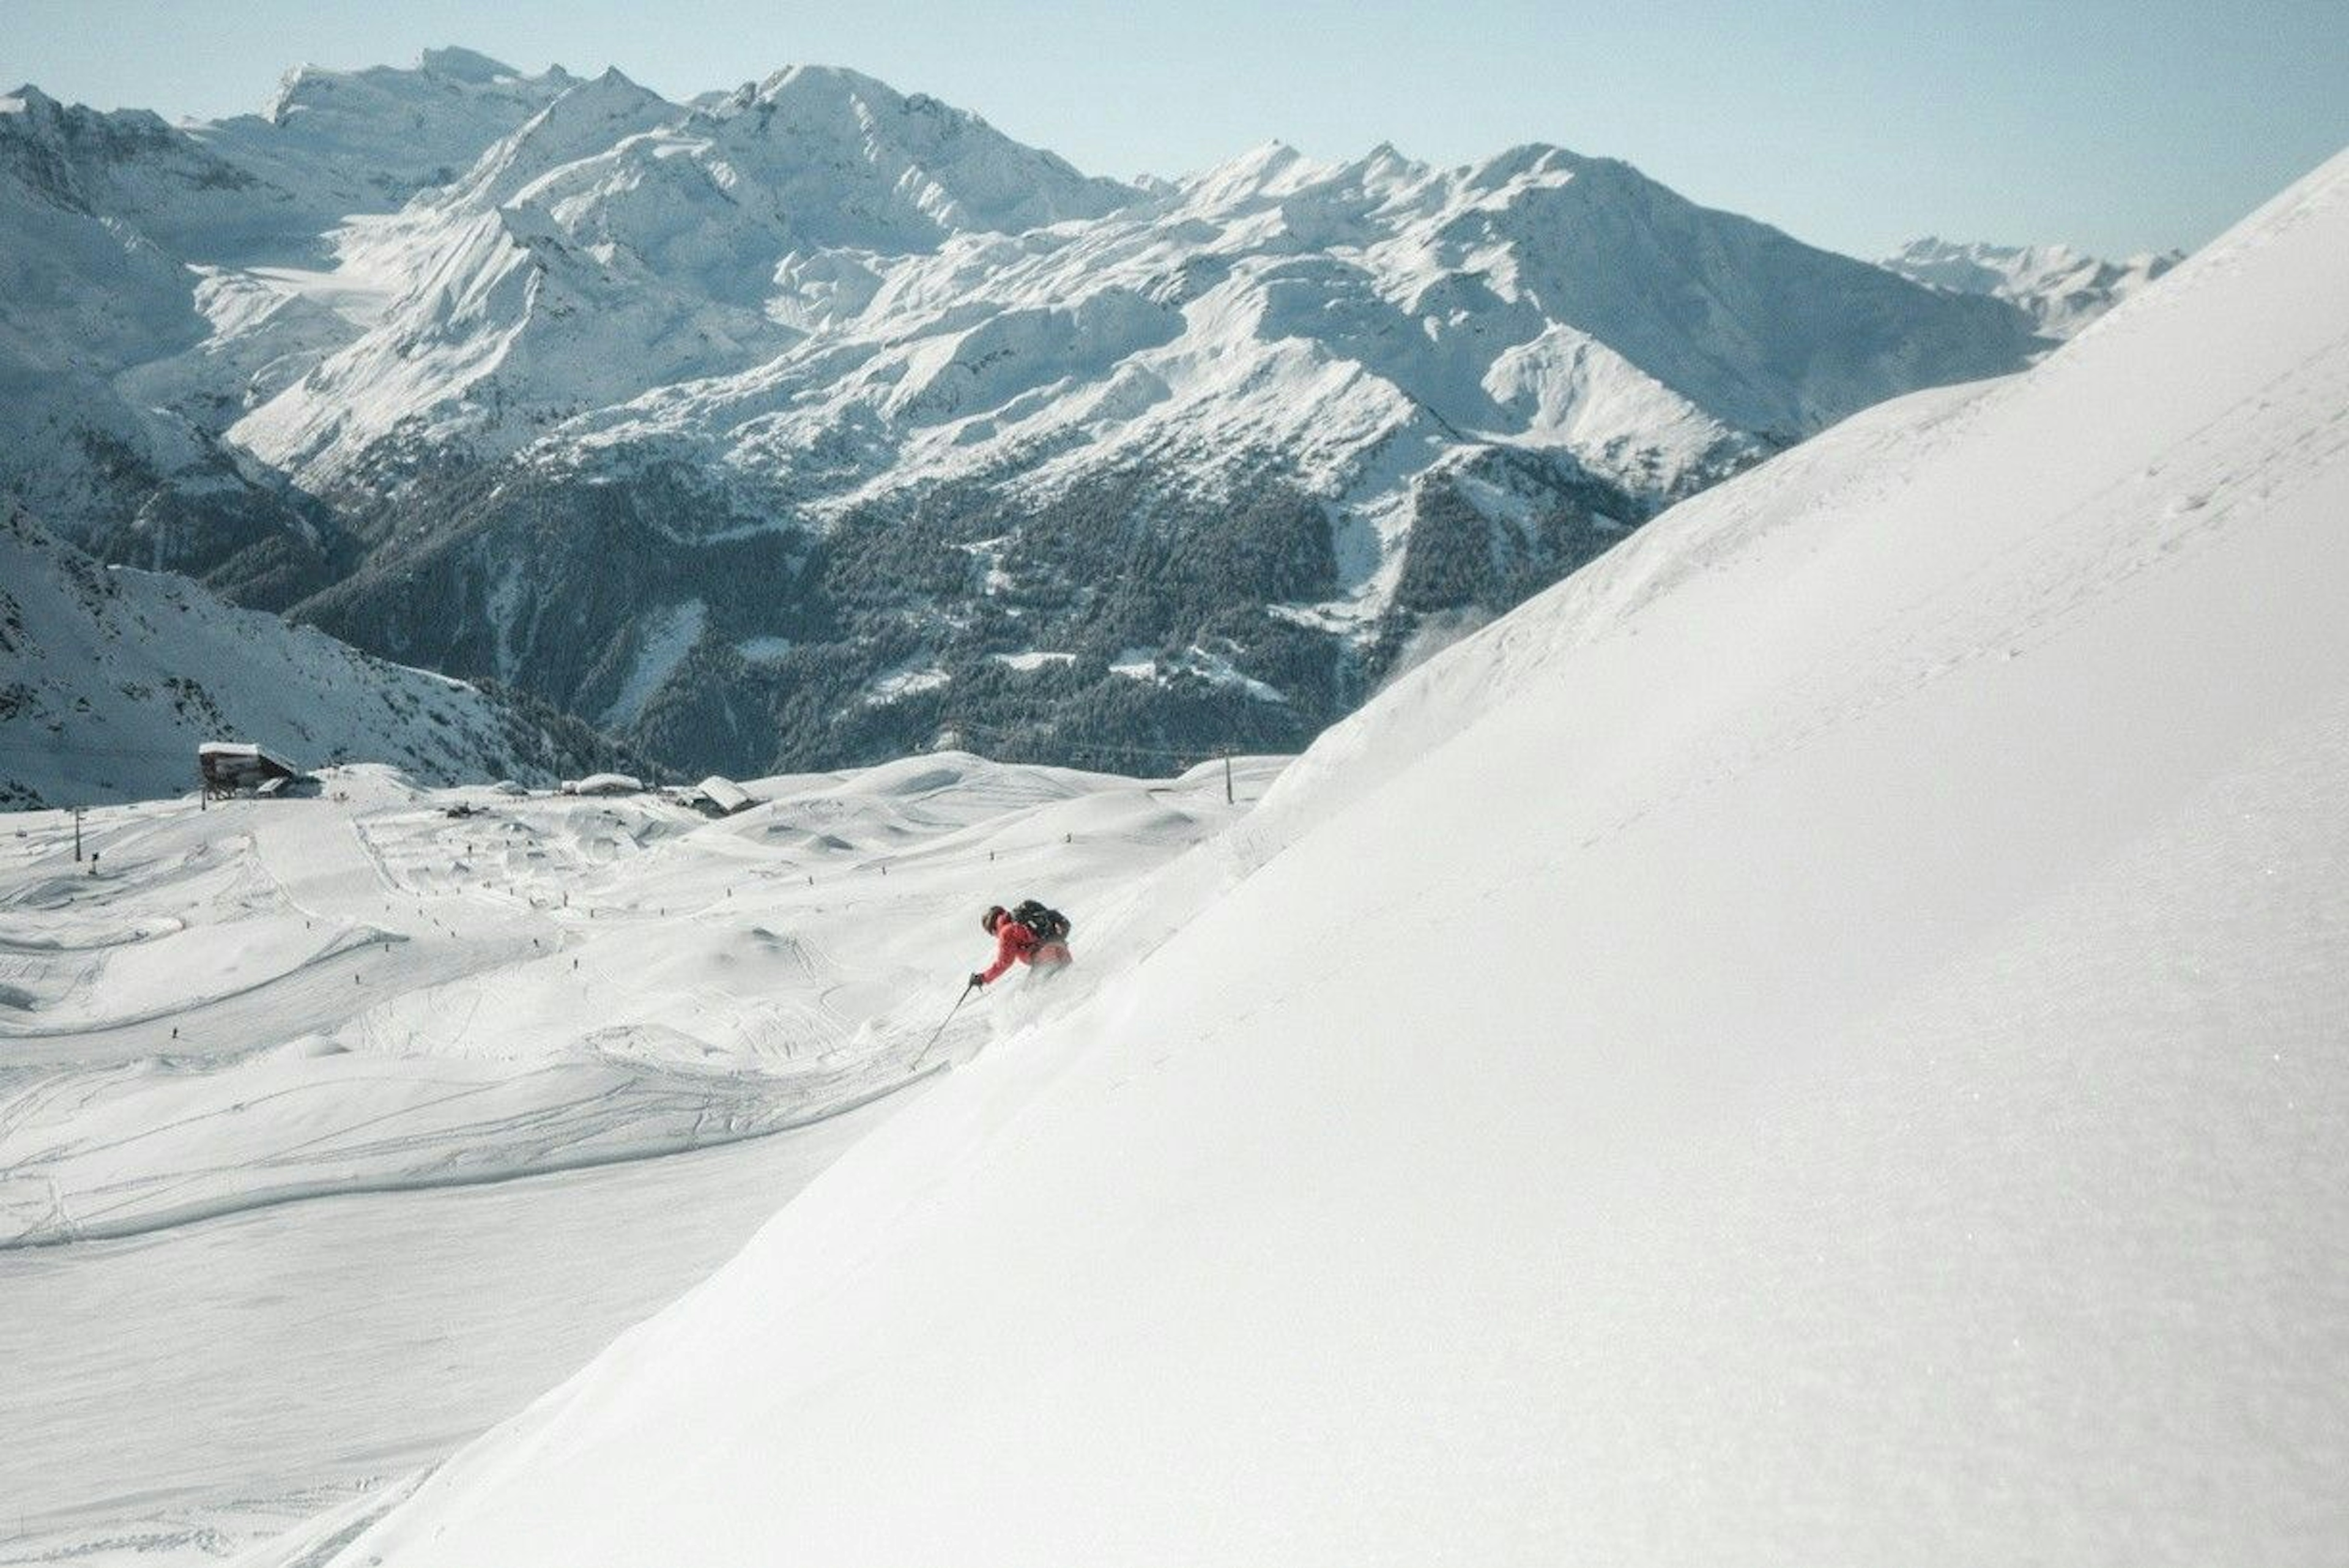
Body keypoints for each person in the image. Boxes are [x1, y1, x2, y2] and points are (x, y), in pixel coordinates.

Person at [970, 901, 1073, 990]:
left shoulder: (1006, 932)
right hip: (1062, 950)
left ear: (993, 929)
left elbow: (1004, 963)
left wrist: (983, 978)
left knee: (1030, 995)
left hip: (1045, 960)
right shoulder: (1022, 921)